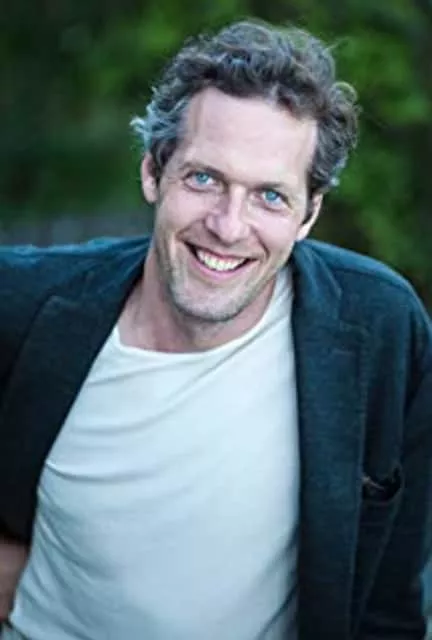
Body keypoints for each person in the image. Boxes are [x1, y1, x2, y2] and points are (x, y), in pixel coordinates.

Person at [0, 19, 431, 640]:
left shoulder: (380, 331)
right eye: (204, 178)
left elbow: (388, 604)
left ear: (309, 214)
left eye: (270, 197)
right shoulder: (28, 305)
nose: (229, 227)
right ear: (153, 173)